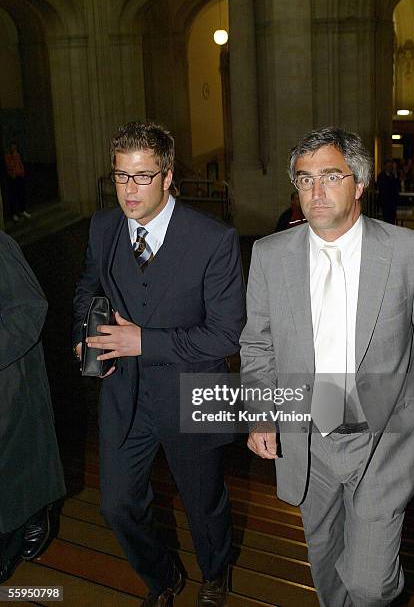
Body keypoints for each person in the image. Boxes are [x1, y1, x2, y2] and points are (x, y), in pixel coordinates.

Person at [240, 127, 414, 607]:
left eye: (330, 177)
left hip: (382, 436)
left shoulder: (410, 253)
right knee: (327, 568)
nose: (315, 192)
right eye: (305, 180)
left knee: (369, 583)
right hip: (307, 434)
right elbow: (257, 344)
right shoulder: (269, 255)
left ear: (359, 183)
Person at [72, 121, 245, 606]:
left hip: (193, 392)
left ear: (168, 176)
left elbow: (225, 334)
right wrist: (84, 334)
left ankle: (214, 576)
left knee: (203, 503)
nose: (129, 190)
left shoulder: (215, 239)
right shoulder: (103, 226)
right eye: (121, 176)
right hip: (123, 392)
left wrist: (142, 342)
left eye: (142, 176)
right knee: (117, 504)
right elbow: (89, 288)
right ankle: (163, 577)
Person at [0, 231, 65, 583]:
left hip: (9, 378)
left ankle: (28, 517)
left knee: (13, 466)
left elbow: (30, 309)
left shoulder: (0, 246)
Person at [4, 142, 31, 223]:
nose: (14, 148)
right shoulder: (8, 156)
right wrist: (14, 158)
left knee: (21, 194)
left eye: (15, 147)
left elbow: (20, 164)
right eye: (12, 147)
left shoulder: (18, 155)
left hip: (19, 176)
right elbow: (10, 166)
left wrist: (22, 172)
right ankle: (14, 214)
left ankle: (22, 210)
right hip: (13, 177)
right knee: (13, 196)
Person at [376, 158, 400, 224]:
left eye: (391, 166)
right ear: (385, 167)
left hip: (392, 202)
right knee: (386, 220)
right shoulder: (381, 176)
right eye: (388, 166)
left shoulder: (393, 176)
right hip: (385, 202)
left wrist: (395, 176)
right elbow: (383, 188)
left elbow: (397, 186)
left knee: (392, 219)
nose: (390, 168)